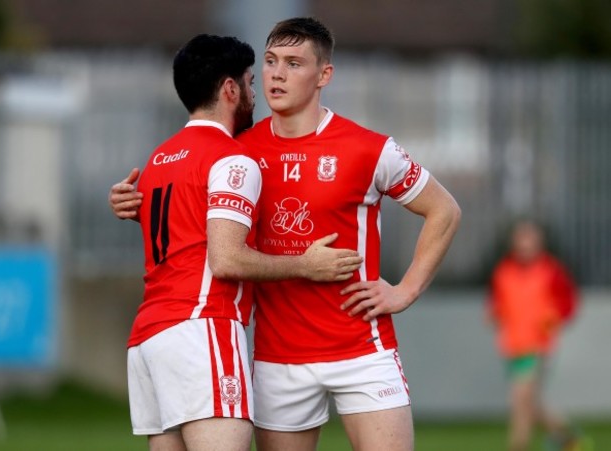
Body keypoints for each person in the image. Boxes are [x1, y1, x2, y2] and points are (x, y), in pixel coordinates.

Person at [111, 18, 460, 451]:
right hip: (277, 358)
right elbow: (190, 207)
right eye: (271, 62)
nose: (277, 74)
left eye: (294, 64)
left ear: (324, 75)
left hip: (361, 348)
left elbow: (444, 210)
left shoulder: (368, 148)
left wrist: (405, 290)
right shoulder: (237, 152)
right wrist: (135, 203)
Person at [122, 33, 363, 451]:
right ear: (230, 89)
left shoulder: (160, 158)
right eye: (252, 82)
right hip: (202, 326)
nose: (258, 92)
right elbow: (226, 259)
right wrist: (305, 264)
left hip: (148, 338)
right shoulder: (232, 157)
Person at [488, 220, 582, 451]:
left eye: (529, 239)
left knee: (520, 400)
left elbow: (568, 303)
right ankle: (567, 436)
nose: (525, 245)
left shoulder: (551, 271)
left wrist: (554, 317)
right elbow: (497, 304)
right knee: (531, 404)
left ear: (539, 243)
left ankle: (518, 445)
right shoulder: (504, 272)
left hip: (538, 345)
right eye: (521, 239)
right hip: (513, 345)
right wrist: (495, 314)